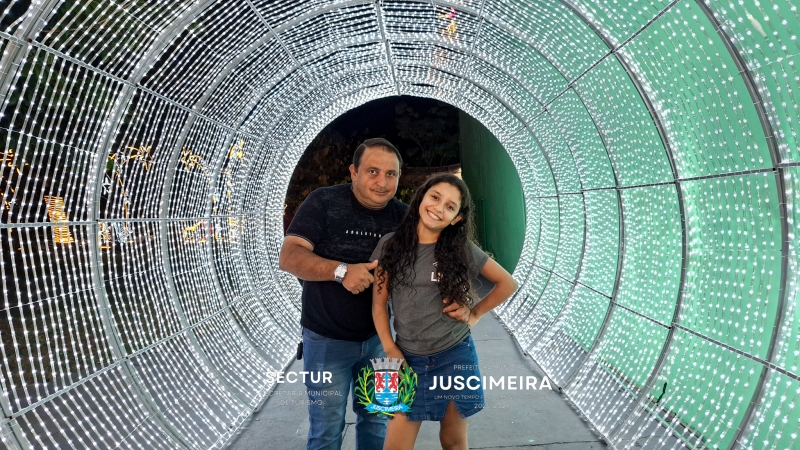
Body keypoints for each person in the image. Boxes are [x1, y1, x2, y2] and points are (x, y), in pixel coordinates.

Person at [279, 139, 471, 450]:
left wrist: (460, 298)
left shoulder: (406, 217)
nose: (382, 182)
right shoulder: (323, 202)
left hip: (382, 344)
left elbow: (441, 259)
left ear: (399, 176)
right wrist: (340, 271)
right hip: (326, 342)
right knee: (326, 429)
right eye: (372, 171)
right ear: (353, 172)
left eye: (390, 174)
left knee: (378, 420)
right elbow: (289, 257)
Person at [370, 173, 518, 450]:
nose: (438, 208)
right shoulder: (389, 245)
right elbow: (378, 305)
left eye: (450, 206)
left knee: (453, 443)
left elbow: (507, 283)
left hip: (455, 354)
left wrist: (474, 314)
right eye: (435, 197)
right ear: (421, 198)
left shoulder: (460, 249)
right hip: (402, 358)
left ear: (456, 218)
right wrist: (390, 349)